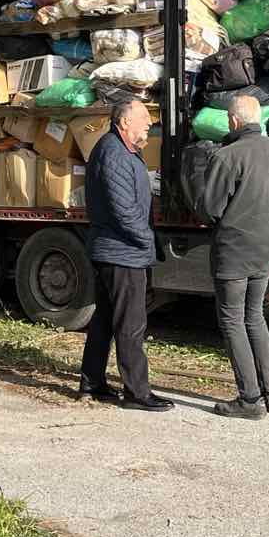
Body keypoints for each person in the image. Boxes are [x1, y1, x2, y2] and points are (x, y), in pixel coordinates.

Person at [197, 94, 269, 419]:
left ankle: (250, 399)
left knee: (232, 320)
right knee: (255, 317)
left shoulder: (227, 156)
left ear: (234, 121)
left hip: (234, 251)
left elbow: (209, 209)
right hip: (268, 247)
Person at [79, 97, 172, 411]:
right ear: (124, 122)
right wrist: (149, 242)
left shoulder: (124, 151)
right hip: (122, 253)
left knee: (105, 320)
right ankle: (136, 392)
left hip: (117, 250)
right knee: (131, 325)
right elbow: (124, 212)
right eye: (144, 117)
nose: (149, 123)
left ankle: (92, 383)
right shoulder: (114, 153)